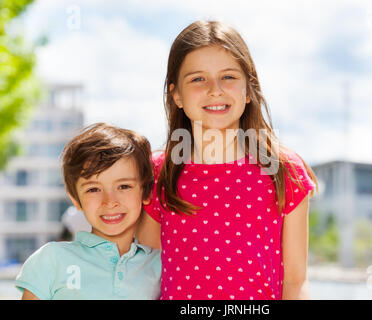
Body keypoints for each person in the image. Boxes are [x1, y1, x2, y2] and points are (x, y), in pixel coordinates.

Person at [136, 20, 318, 300]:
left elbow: (295, 282)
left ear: (249, 89)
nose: (215, 89)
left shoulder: (283, 170)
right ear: (176, 96)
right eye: (198, 79)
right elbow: (145, 281)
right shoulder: (157, 172)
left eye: (229, 77)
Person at [15, 123, 161, 300]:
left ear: (145, 192)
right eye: (93, 189)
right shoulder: (51, 259)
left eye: (124, 186)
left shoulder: (160, 264)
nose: (110, 202)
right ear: (75, 198)